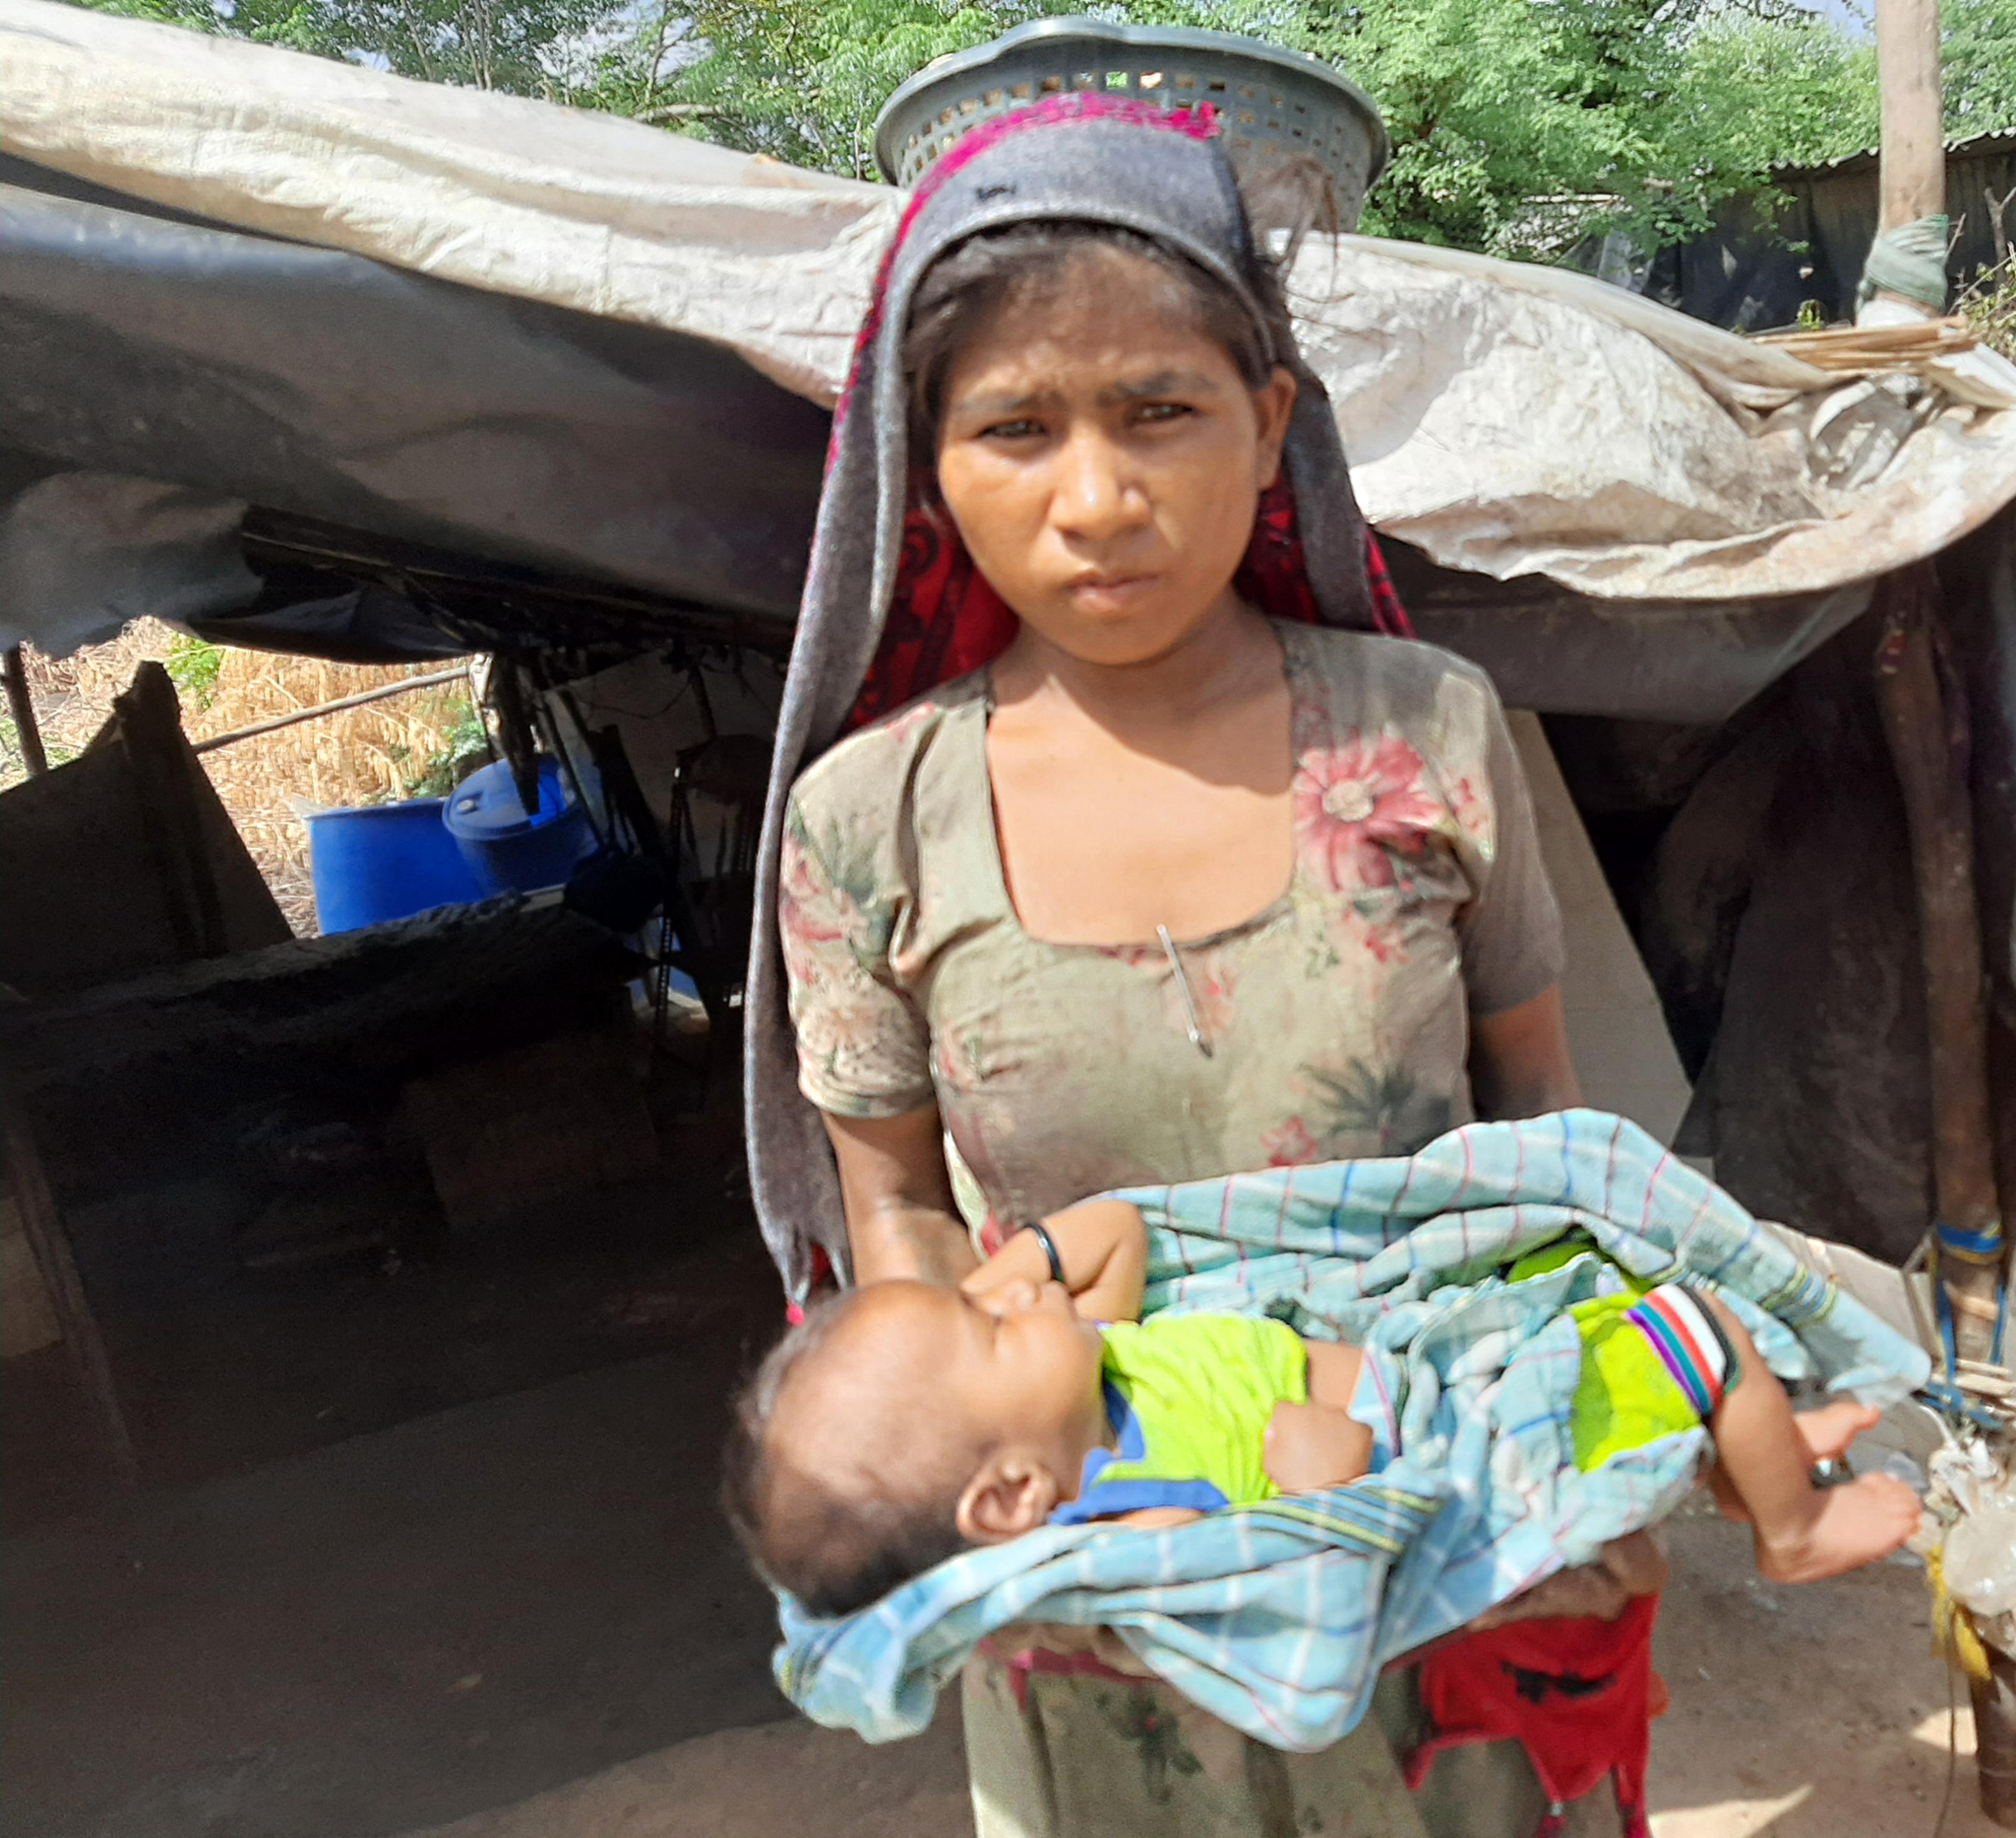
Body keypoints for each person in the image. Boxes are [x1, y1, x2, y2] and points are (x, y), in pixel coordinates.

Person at [745, 89, 1661, 1836]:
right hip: (1112, 1596)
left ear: (1269, 426)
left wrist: (1578, 1442)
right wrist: (1052, 1552)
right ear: (921, 470)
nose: (1098, 498)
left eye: (1159, 411)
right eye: (1015, 427)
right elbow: (902, 1230)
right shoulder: (865, 824)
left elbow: (1534, 1110)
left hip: (1436, 1529)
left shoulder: (1430, 734)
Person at [724, 1195, 1919, 1619]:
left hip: (1442, 1361)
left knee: (1607, 1273)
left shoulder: (1109, 1366)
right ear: (1011, 1494)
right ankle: (1790, 1527)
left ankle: (1739, 1445)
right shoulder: (1142, 1524)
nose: (1027, 1295)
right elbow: (1299, 1599)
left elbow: (1118, 1230)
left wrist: (1008, 1280)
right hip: (1471, 1448)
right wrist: (1324, 1488)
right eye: (993, 1331)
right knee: (1695, 1324)